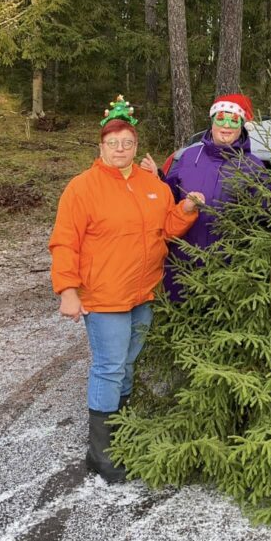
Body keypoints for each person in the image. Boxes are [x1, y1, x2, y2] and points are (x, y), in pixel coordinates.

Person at [49, 95, 204, 483]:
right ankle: (101, 454)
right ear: (101, 147)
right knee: (109, 367)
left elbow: (165, 229)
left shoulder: (152, 184)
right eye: (112, 143)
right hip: (104, 297)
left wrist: (186, 211)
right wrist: (68, 290)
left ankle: (122, 434)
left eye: (127, 143)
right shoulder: (82, 188)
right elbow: (64, 241)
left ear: (136, 146)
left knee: (128, 365)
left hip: (143, 295)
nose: (120, 149)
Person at [149, 93, 267, 301]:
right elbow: (169, 196)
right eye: (221, 118)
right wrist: (156, 179)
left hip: (229, 267)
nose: (226, 125)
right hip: (183, 263)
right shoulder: (189, 156)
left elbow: (264, 211)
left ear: (242, 125)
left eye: (233, 120)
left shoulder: (253, 165)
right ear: (212, 121)